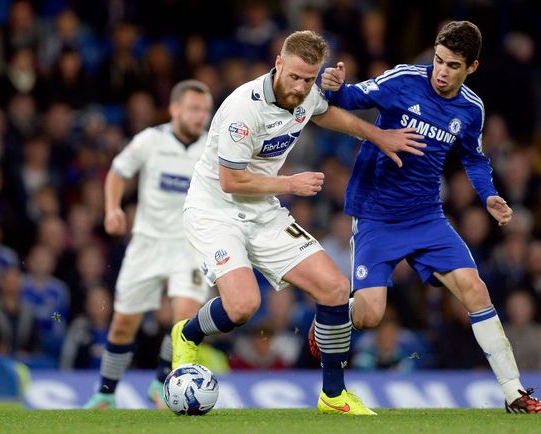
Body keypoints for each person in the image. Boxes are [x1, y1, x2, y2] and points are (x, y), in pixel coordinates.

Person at [171, 30, 423, 416]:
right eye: (295, 77)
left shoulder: (307, 93)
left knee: (335, 288)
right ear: (278, 65)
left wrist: (377, 135)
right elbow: (230, 180)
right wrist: (290, 183)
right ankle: (186, 334)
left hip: (262, 209)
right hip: (215, 209)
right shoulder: (244, 108)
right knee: (242, 306)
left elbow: (327, 113)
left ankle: (333, 397)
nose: (302, 86)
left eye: (309, 79)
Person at [313, 20, 541, 414]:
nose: (441, 72)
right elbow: (351, 98)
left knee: (475, 290)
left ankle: (515, 393)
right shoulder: (405, 80)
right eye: (439, 60)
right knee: (369, 315)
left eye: (453, 65)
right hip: (376, 215)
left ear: (471, 67)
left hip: (427, 216)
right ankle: (329, 321)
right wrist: (336, 85)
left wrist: (489, 195)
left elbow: (474, 158)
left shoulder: (470, 108)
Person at [84, 80, 213, 409]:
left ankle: (161, 384)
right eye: (194, 109)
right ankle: (106, 394)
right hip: (147, 242)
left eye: (205, 110)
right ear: (175, 109)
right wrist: (112, 209)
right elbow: (117, 172)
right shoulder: (150, 140)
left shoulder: (212, 147)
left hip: (190, 245)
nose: (201, 116)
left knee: (183, 317)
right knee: (124, 322)